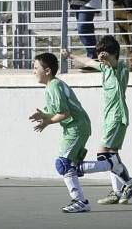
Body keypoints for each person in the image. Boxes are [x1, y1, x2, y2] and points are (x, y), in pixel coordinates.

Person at [61, 35, 132, 204]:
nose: (101, 59)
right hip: (108, 118)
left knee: (103, 154)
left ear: (113, 54)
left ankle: (129, 183)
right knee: (113, 155)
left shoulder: (121, 68)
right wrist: (70, 55)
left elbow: (115, 65)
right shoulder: (104, 69)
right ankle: (118, 191)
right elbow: (89, 62)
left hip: (118, 118)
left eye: (104, 55)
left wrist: (110, 60)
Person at [29, 53, 93, 213]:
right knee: (72, 166)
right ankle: (111, 165)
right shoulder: (51, 87)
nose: (33, 71)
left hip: (76, 127)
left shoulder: (54, 86)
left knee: (63, 164)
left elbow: (65, 114)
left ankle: (80, 201)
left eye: (36, 68)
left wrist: (48, 121)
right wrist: (44, 115)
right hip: (76, 127)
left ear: (48, 70)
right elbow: (55, 111)